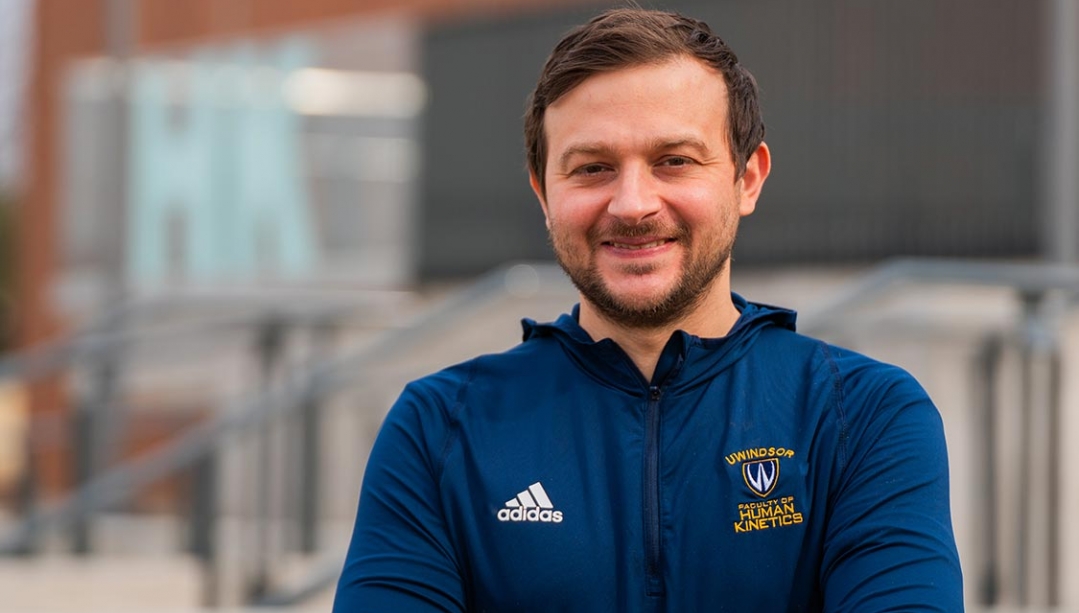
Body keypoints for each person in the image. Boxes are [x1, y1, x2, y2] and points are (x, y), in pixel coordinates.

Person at [333, 7, 963, 612]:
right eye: (593, 168)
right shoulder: (440, 430)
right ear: (543, 192)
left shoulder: (864, 417)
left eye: (674, 161)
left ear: (747, 179)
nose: (632, 203)